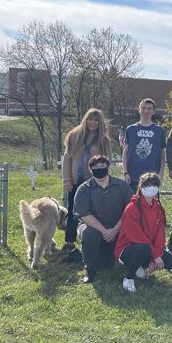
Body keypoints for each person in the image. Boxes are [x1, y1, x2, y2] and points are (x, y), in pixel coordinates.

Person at [72, 155, 132, 284]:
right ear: (90, 170)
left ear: (108, 167)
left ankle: (136, 264)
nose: (99, 169)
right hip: (93, 226)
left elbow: (130, 211)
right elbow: (85, 215)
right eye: (96, 167)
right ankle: (90, 270)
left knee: (108, 263)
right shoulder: (83, 189)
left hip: (118, 225)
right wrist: (105, 231)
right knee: (89, 234)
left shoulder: (122, 186)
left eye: (102, 166)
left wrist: (115, 230)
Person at [114, 172, 172, 293]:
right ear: (140, 187)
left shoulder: (159, 208)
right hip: (127, 250)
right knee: (144, 248)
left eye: (154, 185)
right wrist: (155, 256)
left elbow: (160, 235)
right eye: (147, 185)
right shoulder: (131, 208)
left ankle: (140, 266)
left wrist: (156, 255)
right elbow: (138, 238)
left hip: (149, 249)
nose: (151, 188)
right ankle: (128, 278)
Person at [62, 108, 112, 256]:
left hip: (94, 182)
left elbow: (107, 162)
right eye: (90, 119)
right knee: (73, 211)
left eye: (96, 120)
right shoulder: (74, 136)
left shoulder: (104, 140)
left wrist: (105, 181)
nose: (93, 122)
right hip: (75, 181)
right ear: (85, 120)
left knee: (94, 213)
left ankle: (95, 242)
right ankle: (69, 243)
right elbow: (67, 158)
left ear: (100, 122)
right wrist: (66, 178)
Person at [121, 98, 166, 192]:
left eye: (149, 109)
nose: (146, 111)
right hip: (133, 177)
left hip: (152, 178)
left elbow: (162, 154)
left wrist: (161, 174)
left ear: (153, 112)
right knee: (133, 201)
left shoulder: (159, 130)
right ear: (139, 110)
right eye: (144, 108)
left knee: (151, 201)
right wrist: (125, 172)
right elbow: (125, 152)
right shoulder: (131, 129)